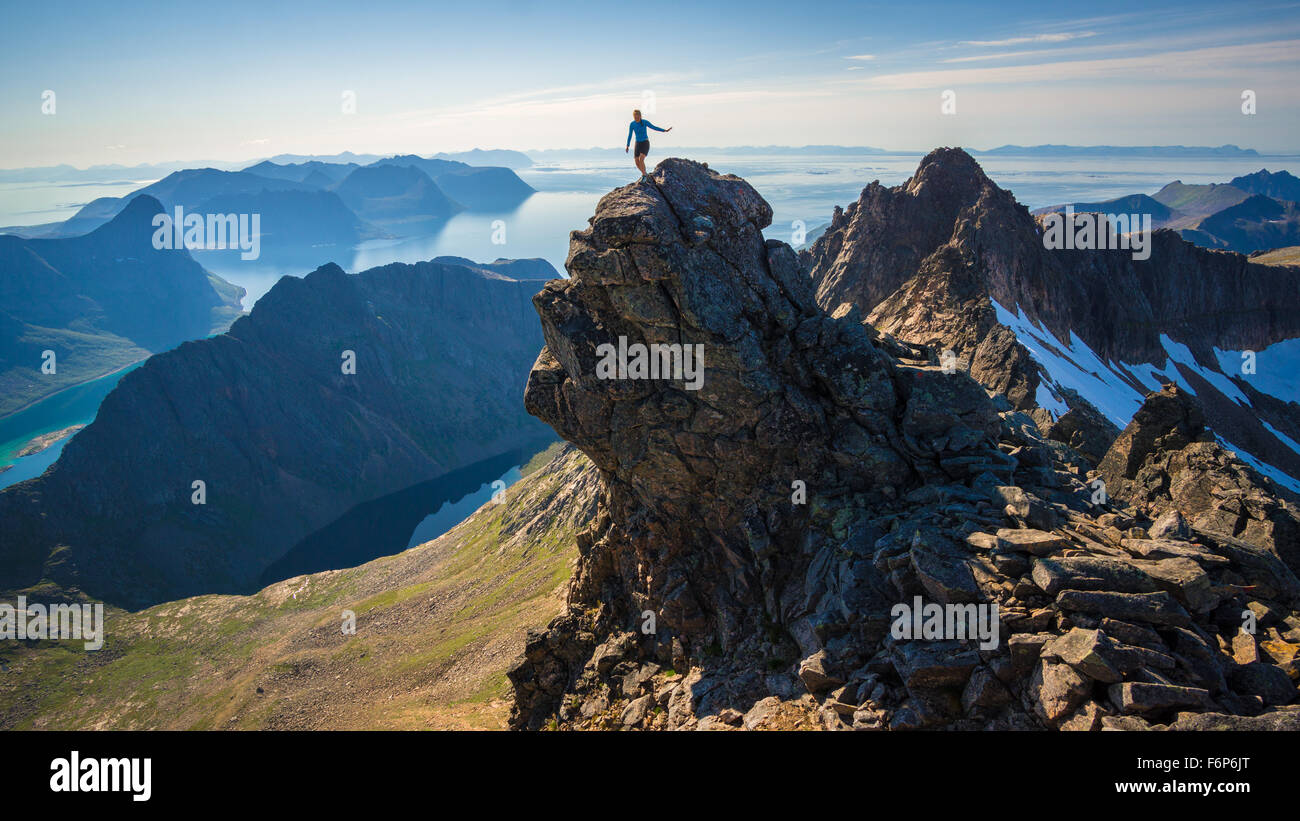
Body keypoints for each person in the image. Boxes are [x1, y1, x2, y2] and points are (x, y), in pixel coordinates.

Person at [626, 109, 671, 182]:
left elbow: (654, 127)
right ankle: (645, 174)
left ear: (640, 116)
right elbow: (630, 135)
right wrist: (627, 145)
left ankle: (644, 176)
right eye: (634, 117)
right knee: (637, 162)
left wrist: (664, 130)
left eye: (637, 116)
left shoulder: (644, 122)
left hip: (645, 143)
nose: (636, 118)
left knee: (641, 159)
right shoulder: (632, 124)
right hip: (637, 143)